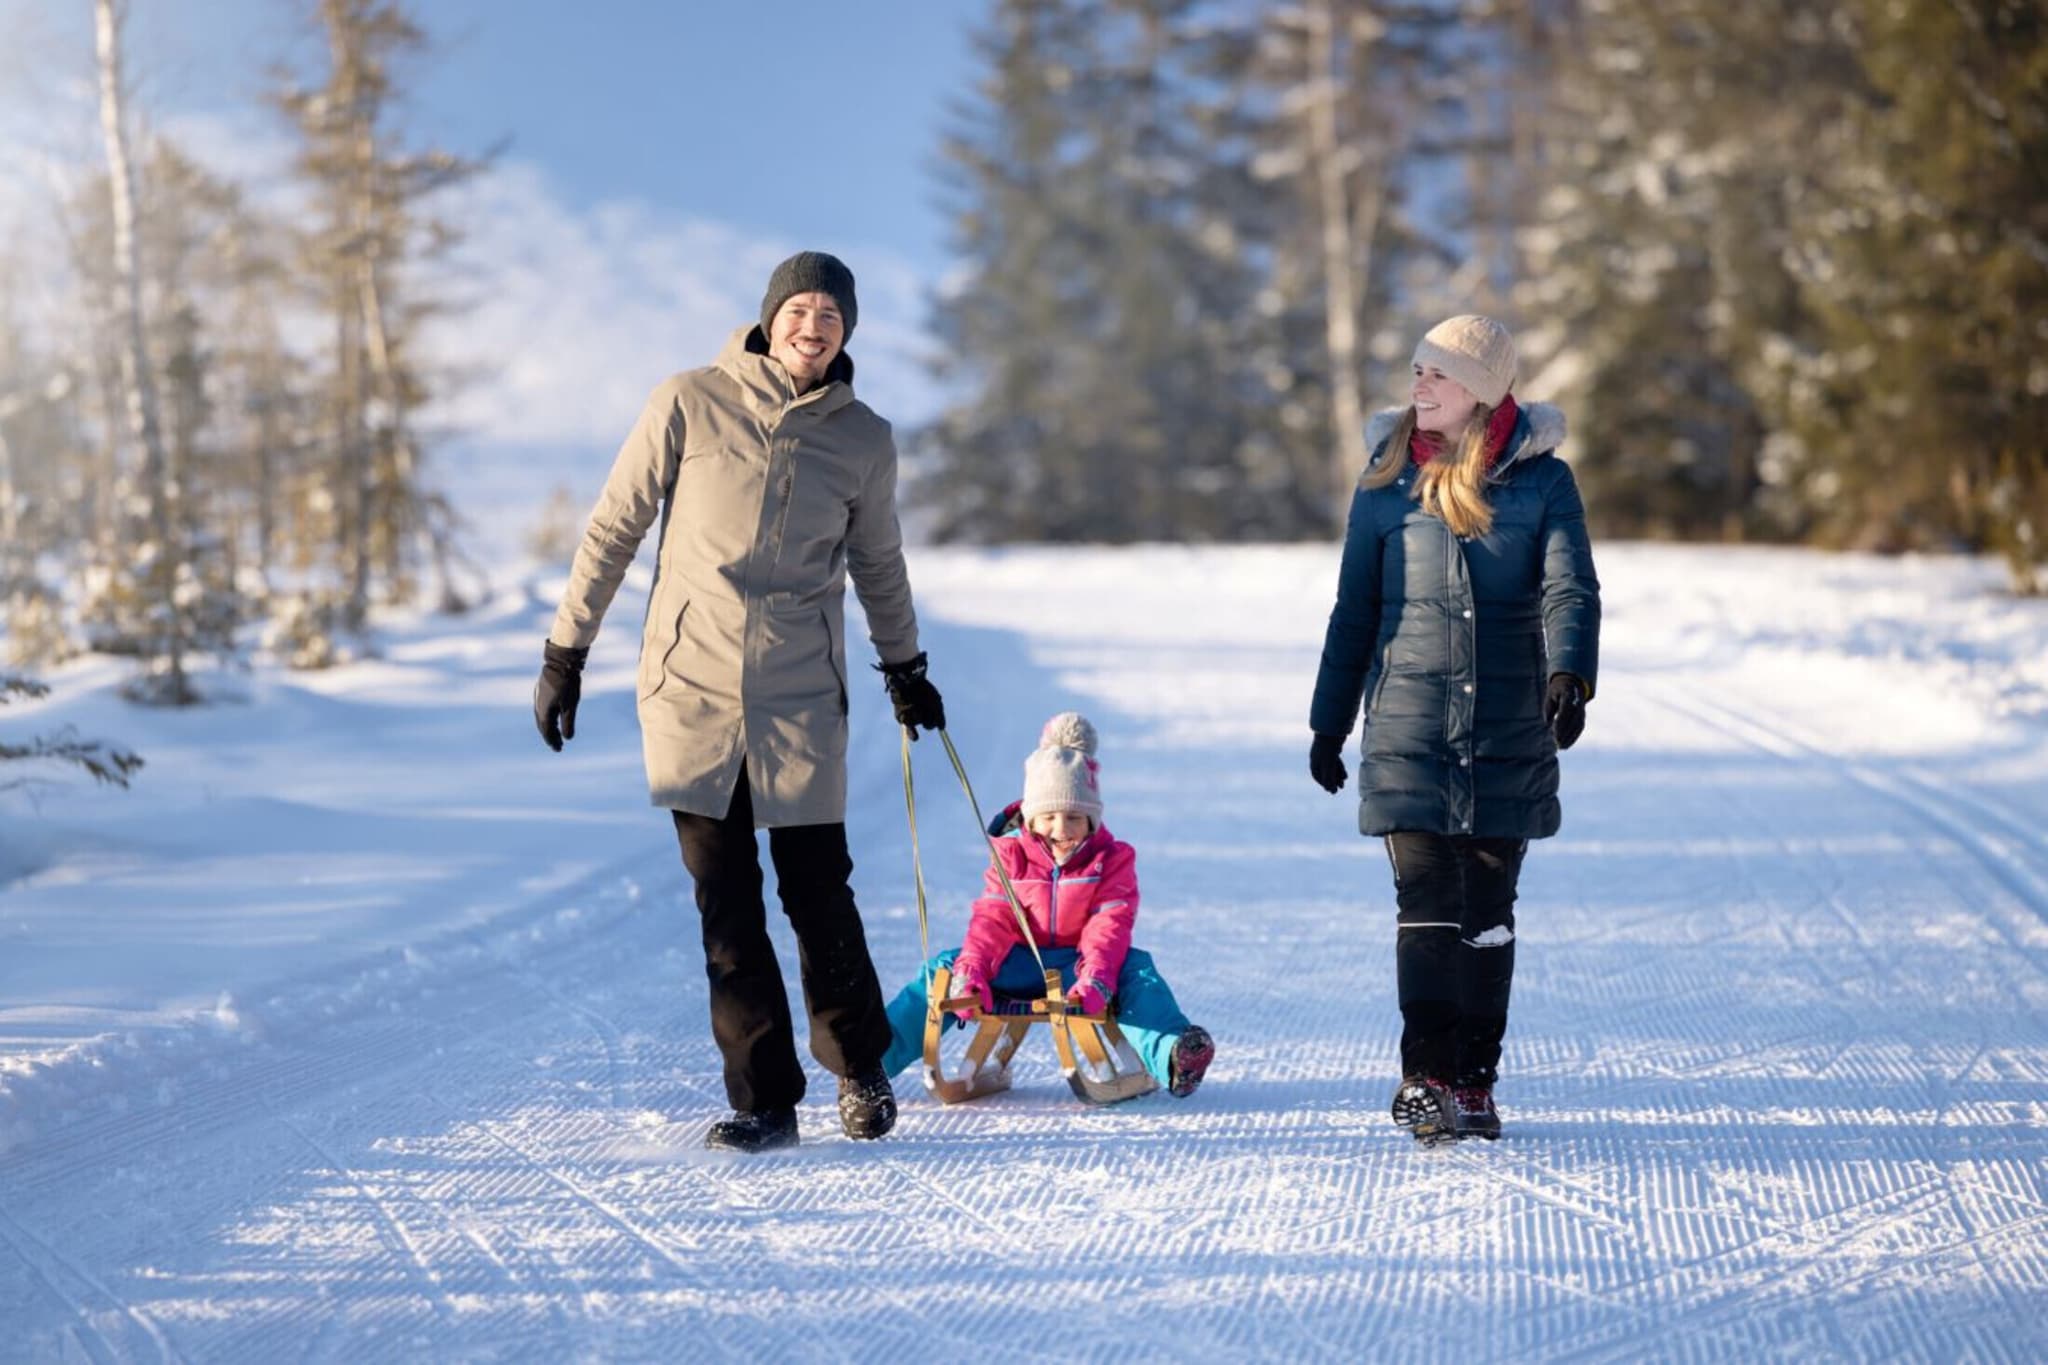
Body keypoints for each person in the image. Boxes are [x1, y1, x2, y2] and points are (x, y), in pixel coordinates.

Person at [533, 251, 947, 1154]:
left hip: (801, 690)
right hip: (693, 688)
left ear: (846, 333)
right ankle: (765, 1099)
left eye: (831, 315)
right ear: (768, 319)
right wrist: (568, 648)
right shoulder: (687, 401)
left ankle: (859, 1064)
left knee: (817, 889)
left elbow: (878, 562)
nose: (813, 325)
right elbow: (615, 525)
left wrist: (904, 665)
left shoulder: (863, 438)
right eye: (799, 308)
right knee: (727, 905)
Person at [1308, 314, 1600, 1144]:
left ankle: (1475, 1081)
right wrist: (1329, 723)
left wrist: (1569, 673)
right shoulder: (1386, 479)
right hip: (1408, 727)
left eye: (1437, 373)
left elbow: (1571, 588)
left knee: (1488, 908)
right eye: (1417, 370)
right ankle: (1426, 1075)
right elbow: (1354, 610)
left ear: (1481, 389)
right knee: (1426, 901)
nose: (1419, 384)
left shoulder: (1544, 482)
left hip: (1508, 726)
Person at [878, 713, 1214, 1097]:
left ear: (1092, 819)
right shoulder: (1009, 856)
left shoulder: (1112, 859)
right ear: (1029, 819)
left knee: (1137, 972)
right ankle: (873, 1057)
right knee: (943, 969)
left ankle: (1174, 1054)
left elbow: (1109, 925)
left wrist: (1097, 979)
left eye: (1074, 817)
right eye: (1048, 817)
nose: (1061, 828)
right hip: (1017, 962)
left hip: (1078, 967)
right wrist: (972, 970)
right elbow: (994, 918)